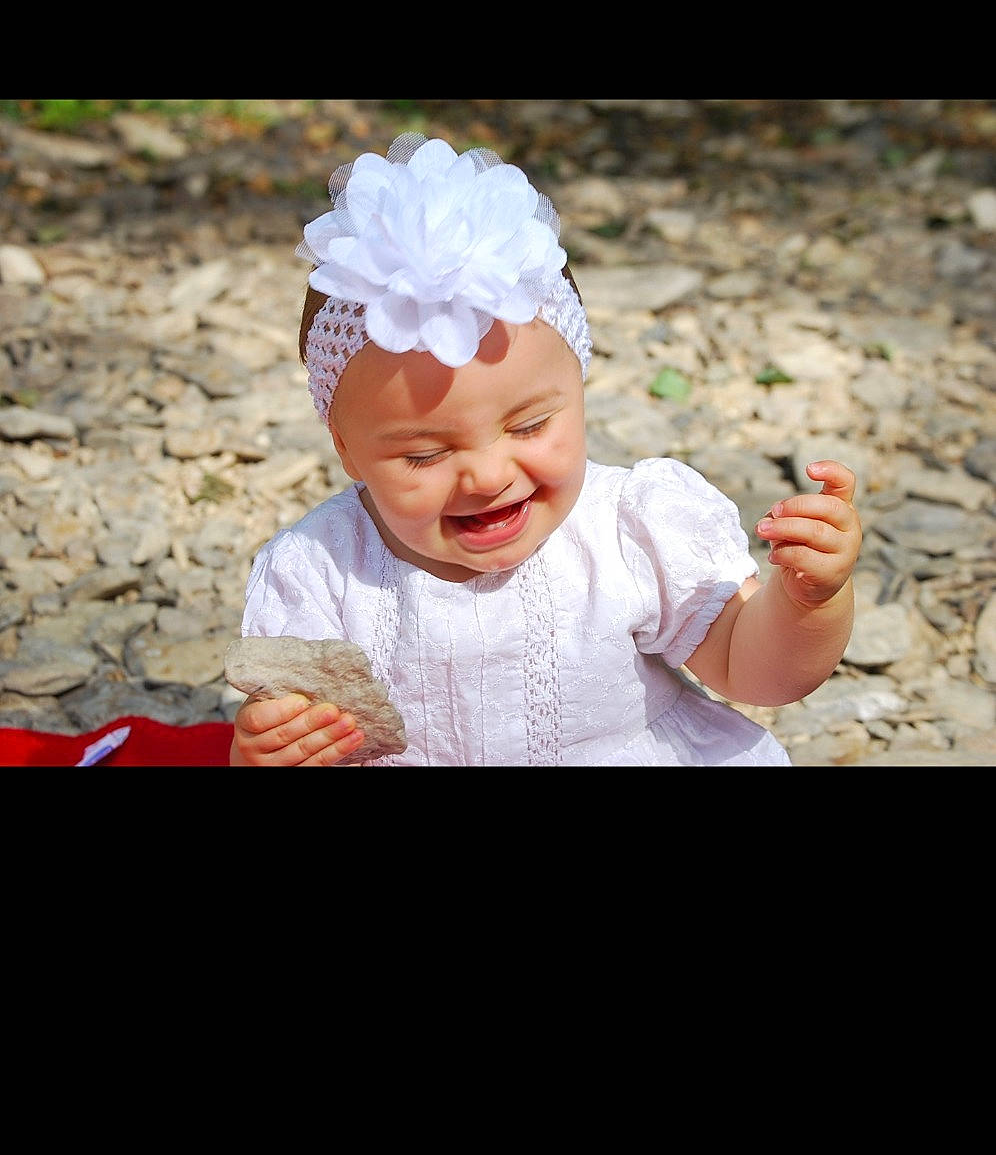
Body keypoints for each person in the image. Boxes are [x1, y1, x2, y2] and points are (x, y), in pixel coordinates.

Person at [230, 133, 862, 767]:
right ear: (346, 450)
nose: (486, 475)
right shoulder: (322, 571)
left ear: (578, 388)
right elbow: (299, 729)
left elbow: (755, 672)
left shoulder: (626, 530)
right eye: (423, 454)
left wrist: (808, 601)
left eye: (529, 426)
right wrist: (269, 750)